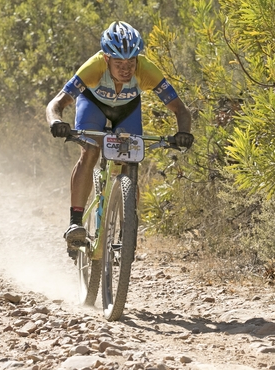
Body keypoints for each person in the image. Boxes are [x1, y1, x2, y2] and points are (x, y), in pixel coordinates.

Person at [46, 21, 193, 259]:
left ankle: (127, 234)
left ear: (138, 59)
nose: (126, 69)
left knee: (129, 160)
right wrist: (56, 122)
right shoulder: (93, 67)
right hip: (92, 105)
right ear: (106, 59)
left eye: (131, 62)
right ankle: (75, 223)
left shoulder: (147, 70)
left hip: (127, 110)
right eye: (118, 63)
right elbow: (57, 103)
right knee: (91, 151)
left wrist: (184, 133)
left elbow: (181, 110)